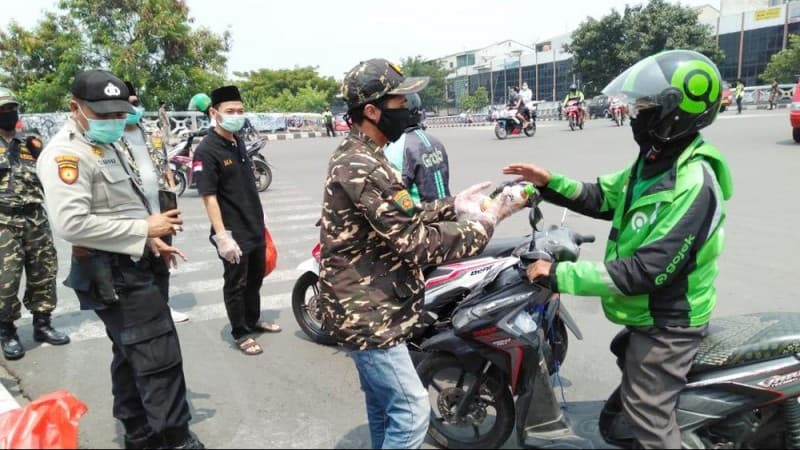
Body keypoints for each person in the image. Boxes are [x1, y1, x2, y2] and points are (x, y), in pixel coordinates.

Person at [506, 50, 733, 449]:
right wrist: (549, 181)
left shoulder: (693, 182)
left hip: (669, 321)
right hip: (647, 312)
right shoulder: (655, 160)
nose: (634, 114)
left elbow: (647, 271)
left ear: (675, 113)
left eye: (645, 106)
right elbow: (603, 196)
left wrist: (558, 274)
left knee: (647, 414)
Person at [319, 58, 524, 450]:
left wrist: (453, 205)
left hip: (366, 304)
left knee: (384, 405)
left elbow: (395, 215)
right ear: (372, 111)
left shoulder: (362, 153)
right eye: (401, 101)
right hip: (367, 313)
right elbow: (417, 243)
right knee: (412, 412)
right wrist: (486, 221)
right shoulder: (362, 164)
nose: (411, 108)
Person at [36, 69, 203, 449]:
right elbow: (72, 224)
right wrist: (144, 230)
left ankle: (139, 433)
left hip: (135, 261)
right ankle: (173, 439)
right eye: (103, 114)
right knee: (159, 358)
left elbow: (119, 206)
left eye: (117, 113)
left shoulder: (105, 144)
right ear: (75, 108)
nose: (113, 122)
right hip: (113, 273)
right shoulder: (67, 153)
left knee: (131, 354)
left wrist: (151, 241)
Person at [193, 85, 281, 356]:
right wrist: (222, 236)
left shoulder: (237, 140)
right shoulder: (207, 150)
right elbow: (209, 197)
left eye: (240, 111)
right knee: (236, 283)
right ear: (214, 112)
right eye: (230, 111)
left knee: (255, 278)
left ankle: (252, 319)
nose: (236, 115)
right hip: (232, 231)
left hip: (253, 225)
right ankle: (240, 332)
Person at [0, 87, 70, 361]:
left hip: (36, 217)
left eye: (11, 108)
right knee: (5, 280)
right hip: (4, 219)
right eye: (3, 110)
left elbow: (50, 173)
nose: (9, 114)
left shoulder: (31, 142)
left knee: (44, 272)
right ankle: (7, 331)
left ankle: (43, 323)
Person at [123, 81, 188, 324]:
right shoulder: (112, 138)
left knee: (163, 262)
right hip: (133, 213)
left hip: (161, 209)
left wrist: (172, 191)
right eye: (127, 105)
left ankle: (163, 307)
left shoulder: (151, 132)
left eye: (135, 103)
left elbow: (164, 165)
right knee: (136, 266)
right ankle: (143, 315)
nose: (133, 109)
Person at [383, 93, 450, 204]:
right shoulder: (436, 142)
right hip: (447, 211)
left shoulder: (395, 149)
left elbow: (396, 198)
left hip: (422, 217)